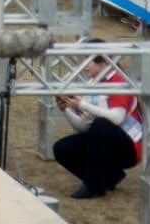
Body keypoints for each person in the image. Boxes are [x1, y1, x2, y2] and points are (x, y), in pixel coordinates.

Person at [50, 55, 144, 198]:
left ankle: (92, 186)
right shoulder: (92, 85)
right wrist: (66, 110)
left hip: (131, 147)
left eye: (89, 62)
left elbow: (117, 118)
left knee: (101, 124)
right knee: (61, 148)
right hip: (106, 139)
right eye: (83, 62)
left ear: (104, 62)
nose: (84, 66)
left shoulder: (119, 81)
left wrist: (82, 105)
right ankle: (109, 177)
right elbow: (84, 127)